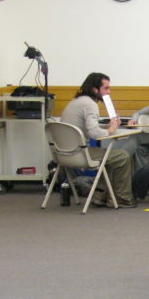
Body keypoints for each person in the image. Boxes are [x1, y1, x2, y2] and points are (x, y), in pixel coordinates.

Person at [60, 72, 136, 207]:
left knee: (109, 155)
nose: (109, 92)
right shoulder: (90, 105)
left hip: (62, 154)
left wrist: (105, 126)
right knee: (122, 156)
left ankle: (100, 194)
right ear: (95, 89)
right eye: (106, 88)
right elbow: (95, 133)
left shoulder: (77, 101)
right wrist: (111, 130)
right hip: (79, 154)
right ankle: (121, 198)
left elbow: (87, 126)